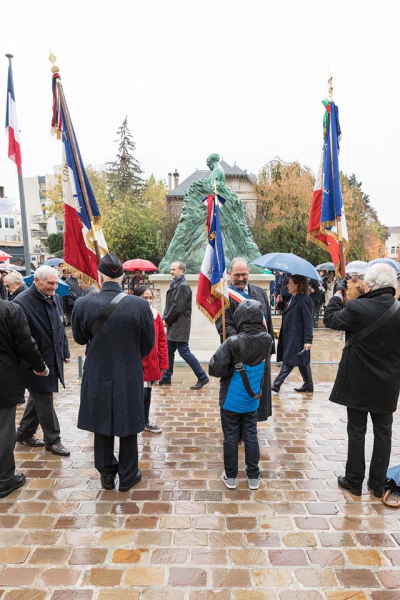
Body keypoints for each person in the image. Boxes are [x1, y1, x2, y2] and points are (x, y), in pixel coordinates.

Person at [72, 253, 155, 491]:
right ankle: (128, 476)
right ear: (123, 276)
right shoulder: (139, 305)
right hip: (129, 370)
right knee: (128, 422)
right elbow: (147, 342)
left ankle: (107, 474)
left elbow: (79, 338)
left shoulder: (82, 304)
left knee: (101, 422)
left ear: (99, 276)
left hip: (97, 369)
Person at [324, 264, 400, 498]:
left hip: (358, 380)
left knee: (357, 431)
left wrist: (338, 294)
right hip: (388, 382)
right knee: (383, 432)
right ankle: (377, 485)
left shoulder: (358, 307)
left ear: (370, 285)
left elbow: (330, 319)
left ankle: (354, 481)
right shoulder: (399, 310)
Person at [209, 300, 273, 490]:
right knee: (251, 434)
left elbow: (214, 368)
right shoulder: (267, 339)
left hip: (231, 397)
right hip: (252, 396)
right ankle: (253, 477)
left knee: (230, 436)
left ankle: (231, 476)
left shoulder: (233, 342)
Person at [13, 266, 71, 456]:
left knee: (39, 396)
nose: (54, 287)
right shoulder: (21, 303)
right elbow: (22, 338)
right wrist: (35, 364)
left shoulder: (54, 297)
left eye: (56, 283)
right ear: (36, 281)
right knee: (44, 397)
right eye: (50, 283)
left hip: (52, 357)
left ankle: (24, 433)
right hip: (33, 362)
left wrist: (64, 350)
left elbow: (60, 326)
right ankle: (53, 440)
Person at [216, 257, 275, 422]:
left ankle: (251, 425)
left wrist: (270, 349)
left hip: (260, 355)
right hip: (237, 354)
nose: (240, 278)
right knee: (237, 394)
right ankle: (239, 430)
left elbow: (268, 323)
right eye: (236, 275)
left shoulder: (260, 293)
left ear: (249, 273)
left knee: (256, 391)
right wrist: (242, 346)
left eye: (243, 274)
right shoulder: (224, 297)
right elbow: (224, 326)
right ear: (229, 274)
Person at [160, 261, 209, 390]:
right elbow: (169, 304)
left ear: (182, 271)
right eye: (171, 269)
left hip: (179, 325)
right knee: (169, 351)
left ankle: (202, 376)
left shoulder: (183, 286)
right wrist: (165, 317)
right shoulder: (176, 284)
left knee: (184, 351)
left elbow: (177, 307)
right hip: (174, 325)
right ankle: (166, 377)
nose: (171, 271)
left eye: (174, 269)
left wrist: (167, 320)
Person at [134, 285, 168, 433]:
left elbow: (161, 339)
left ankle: (145, 421)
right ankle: (136, 421)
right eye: (144, 298)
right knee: (140, 393)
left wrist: (163, 363)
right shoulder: (132, 315)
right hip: (138, 363)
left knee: (148, 393)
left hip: (152, 361)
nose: (148, 301)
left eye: (150, 298)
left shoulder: (155, 315)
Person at [272, 274, 314, 393]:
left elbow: (308, 321)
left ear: (297, 284)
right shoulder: (292, 298)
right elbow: (287, 312)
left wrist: (308, 340)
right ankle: (308, 384)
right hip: (290, 335)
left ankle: (276, 384)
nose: (287, 285)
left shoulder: (305, 300)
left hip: (298, 337)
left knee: (289, 360)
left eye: (290, 283)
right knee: (302, 361)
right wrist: (280, 304)